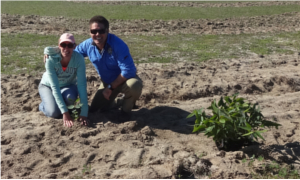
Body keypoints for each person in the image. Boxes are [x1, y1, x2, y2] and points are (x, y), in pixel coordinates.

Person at [75, 15, 143, 122]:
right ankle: (120, 102)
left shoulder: (118, 45)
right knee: (95, 109)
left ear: (107, 30)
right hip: (107, 82)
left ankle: (126, 111)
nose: (97, 34)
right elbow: (72, 53)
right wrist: (50, 52)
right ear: (90, 32)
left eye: (101, 31)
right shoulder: (87, 45)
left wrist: (111, 88)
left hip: (125, 80)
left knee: (134, 85)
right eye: (93, 31)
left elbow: (129, 70)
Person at [39, 33, 89, 127]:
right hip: (48, 86)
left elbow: (82, 85)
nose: (66, 48)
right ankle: (43, 105)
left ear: (74, 46)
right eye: (63, 45)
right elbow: (54, 87)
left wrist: (84, 113)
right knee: (53, 113)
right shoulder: (50, 59)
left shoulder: (79, 59)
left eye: (70, 45)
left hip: (68, 85)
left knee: (71, 99)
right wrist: (65, 113)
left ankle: (56, 102)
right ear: (59, 45)